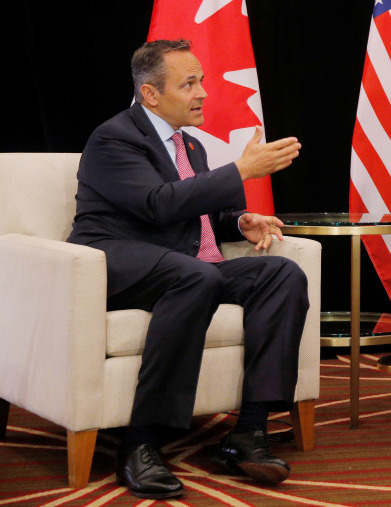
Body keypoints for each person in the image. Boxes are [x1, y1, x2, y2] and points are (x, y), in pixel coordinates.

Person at [67, 39, 309, 499]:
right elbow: (158, 206)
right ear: (151, 94)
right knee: (195, 274)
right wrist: (241, 170)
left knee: (281, 274)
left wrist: (241, 220)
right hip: (117, 262)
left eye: (201, 81)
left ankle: (249, 432)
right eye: (189, 83)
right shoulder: (113, 137)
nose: (202, 93)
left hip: (185, 267)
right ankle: (141, 442)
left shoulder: (190, 145)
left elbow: (199, 212)